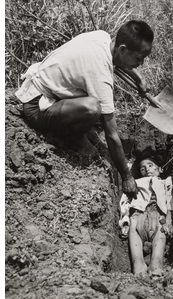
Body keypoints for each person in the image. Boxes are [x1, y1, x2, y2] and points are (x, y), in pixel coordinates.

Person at [15, 20, 154, 199]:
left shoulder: (102, 38)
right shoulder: (101, 76)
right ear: (122, 49)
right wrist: (126, 176)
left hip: (46, 87)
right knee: (93, 108)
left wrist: (138, 79)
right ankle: (73, 136)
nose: (141, 63)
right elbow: (111, 135)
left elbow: (118, 60)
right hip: (37, 106)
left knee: (95, 105)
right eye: (138, 58)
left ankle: (75, 125)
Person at [119, 156, 173, 276]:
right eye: (142, 168)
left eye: (150, 165)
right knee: (137, 264)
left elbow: (169, 200)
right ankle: (139, 270)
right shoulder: (135, 182)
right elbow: (125, 203)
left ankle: (156, 269)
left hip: (159, 217)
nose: (147, 169)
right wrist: (125, 222)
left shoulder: (165, 182)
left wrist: (169, 221)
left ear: (160, 169)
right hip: (137, 217)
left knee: (157, 263)